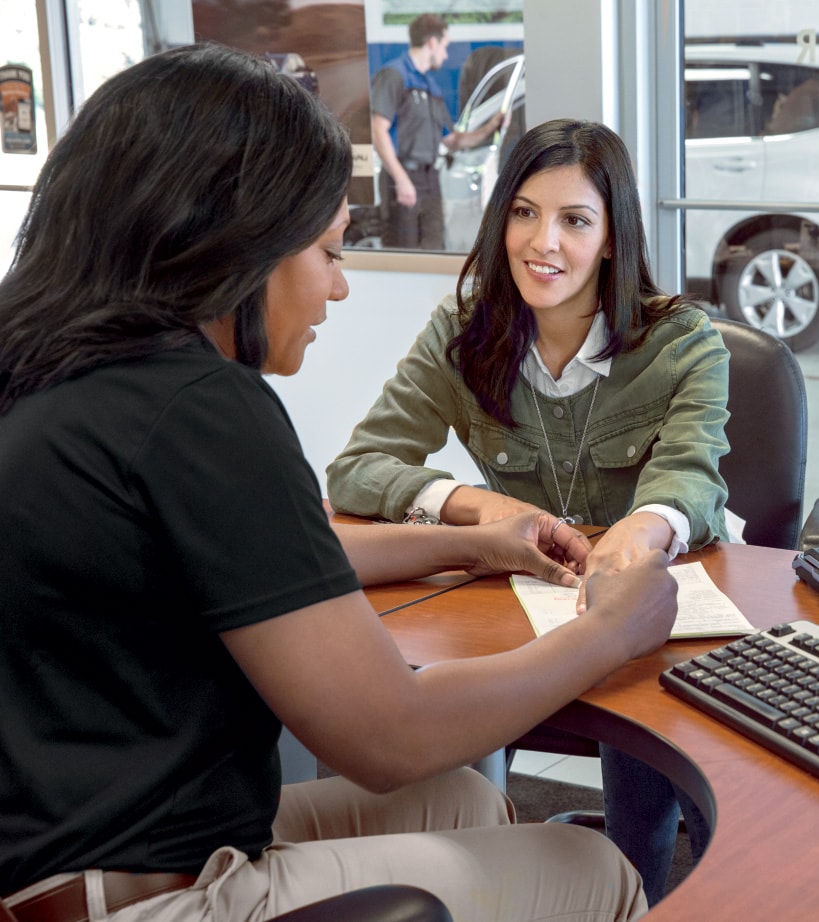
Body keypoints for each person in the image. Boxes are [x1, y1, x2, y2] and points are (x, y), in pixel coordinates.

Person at [0, 44, 674, 922]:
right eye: (328, 251)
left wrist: (472, 540)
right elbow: (389, 735)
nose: (342, 288)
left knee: (462, 802)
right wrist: (610, 631)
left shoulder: (69, 371)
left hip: (65, 847)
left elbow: (272, 568)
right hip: (145, 889)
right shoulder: (200, 405)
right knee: (588, 865)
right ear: (235, 245)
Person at [326, 117, 731, 903]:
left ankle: (644, 886)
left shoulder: (683, 342)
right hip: (525, 602)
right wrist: (476, 506)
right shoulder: (465, 330)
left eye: (575, 219)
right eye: (523, 212)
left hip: (660, 600)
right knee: (444, 710)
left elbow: (691, 481)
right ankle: (502, 883)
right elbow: (356, 470)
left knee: (646, 731)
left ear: (613, 237)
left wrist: (634, 539)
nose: (542, 242)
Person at [371, 14, 500, 249]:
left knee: (435, 246)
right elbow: (379, 130)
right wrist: (401, 180)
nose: (446, 54)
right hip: (403, 177)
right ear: (432, 42)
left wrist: (491, 127)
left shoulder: (430, 85)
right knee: (404, 252)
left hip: (430, 180)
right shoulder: (394, 76)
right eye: (444, 46)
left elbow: (452, 140)